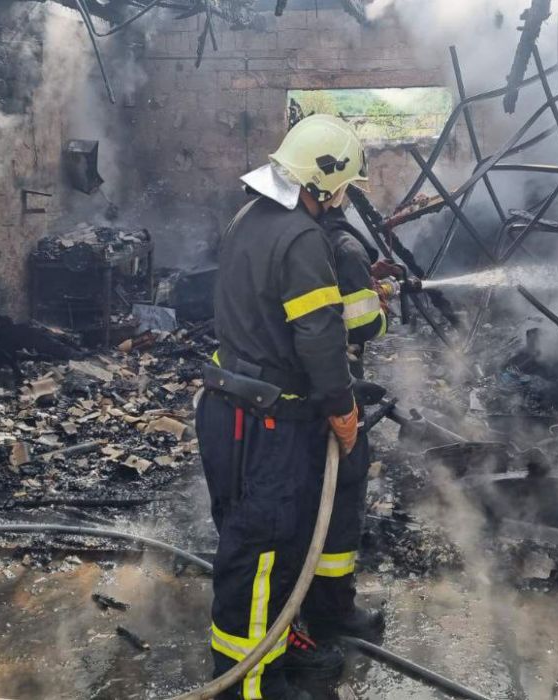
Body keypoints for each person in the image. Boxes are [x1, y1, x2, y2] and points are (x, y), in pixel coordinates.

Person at [196, 114, 368, 699]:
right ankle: (248, 687)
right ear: (326, 183)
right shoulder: (302, 239)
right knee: (260, 551)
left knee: (269, 545)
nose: (343, 197)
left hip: (234, 408)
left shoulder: (250, 216)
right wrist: (342, 408)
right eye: (344, 186)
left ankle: (277, 643)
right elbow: (319, 336)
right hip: (267, 420)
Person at [299, 205, 388, 644]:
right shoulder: (347, 248)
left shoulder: (298, 239)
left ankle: (302, 599)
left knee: (305, 496)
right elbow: (363, 325)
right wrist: (380, 304)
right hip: (336, 385)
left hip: (298, 391)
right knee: (343, 493)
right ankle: (333, 610)